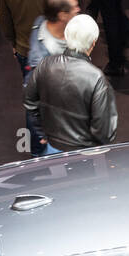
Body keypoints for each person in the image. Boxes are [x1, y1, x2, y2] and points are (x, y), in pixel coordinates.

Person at [23, 11, 117, 151]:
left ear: (66, 36)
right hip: (85, 155)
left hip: (52, 148)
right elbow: (105, 132)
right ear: (93, 43)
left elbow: (30, 102)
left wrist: (43, 131)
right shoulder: (96, 78)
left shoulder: (44, 65)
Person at [25, 0, 78, 155]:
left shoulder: (46, 22)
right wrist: (43, 133)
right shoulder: (41, 61)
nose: (78, 9)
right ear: (62, 15)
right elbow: (32, 101)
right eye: (74, 7)